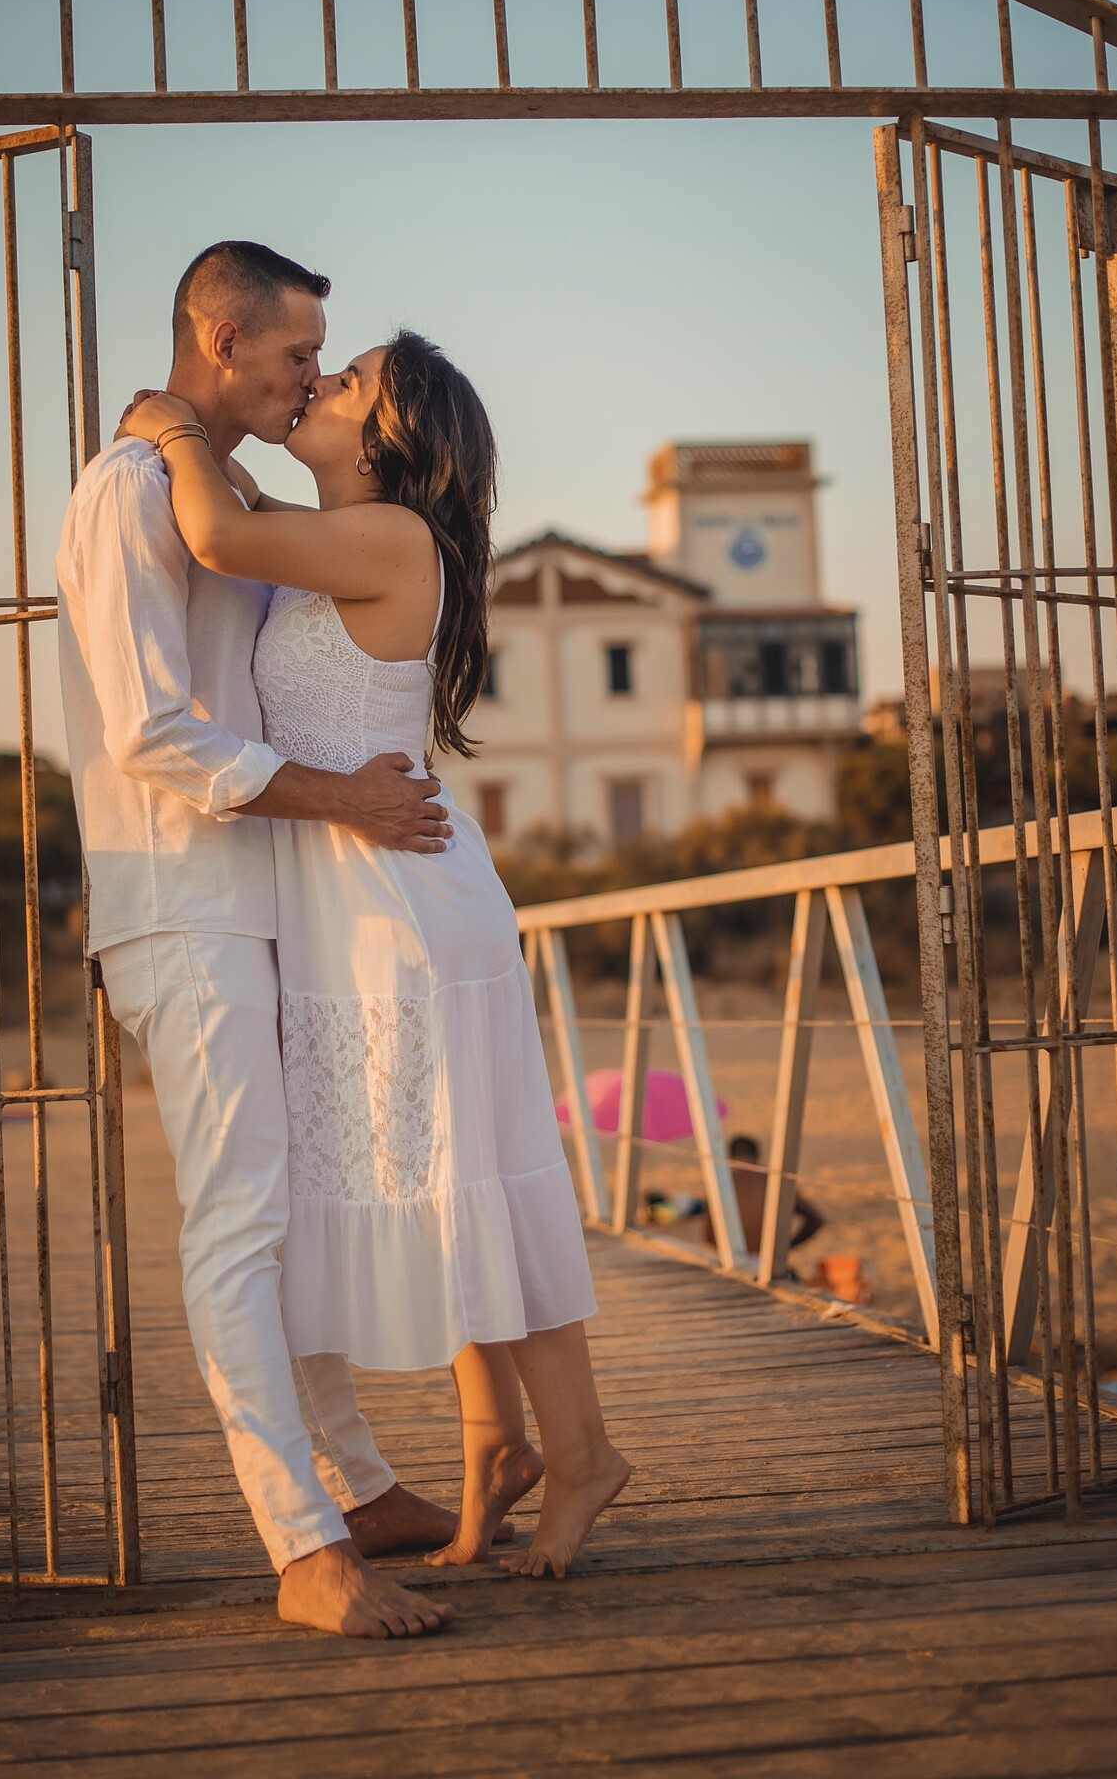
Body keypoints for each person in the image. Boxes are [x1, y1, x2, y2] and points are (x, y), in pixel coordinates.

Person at [121, 326, 630, 1582]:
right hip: (353, 903)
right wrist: (207, 445)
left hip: (403, 913)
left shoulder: (388, 538)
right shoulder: (333, 531)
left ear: (393, 441)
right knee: (441, 1175)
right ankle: (494, 1455)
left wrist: (170, 419)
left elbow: (218, 533)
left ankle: (582, 1453)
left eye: (344, 382)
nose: (316, 384)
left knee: (483, 1181)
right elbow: (241, 513)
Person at [56, 241, 465, 1641]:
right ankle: (303, 1550)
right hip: (181, 899)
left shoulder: (212, 491)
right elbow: (152, 733)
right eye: (297, 356)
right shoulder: (125, 499)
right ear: (220, 340)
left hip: (272, 895)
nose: (310, 382)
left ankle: (352, 1485)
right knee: (239, 1219)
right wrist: (344, 797)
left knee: (288, 1215)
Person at [691, 1134, 825, 1258]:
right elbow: (815, 1220)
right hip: (767, 1260)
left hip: (729, 1258)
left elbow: (708, 1237)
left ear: (730, 1157)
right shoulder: (773, 1182)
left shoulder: (722, 1183)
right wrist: (788, 1246)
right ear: (757, 1155)